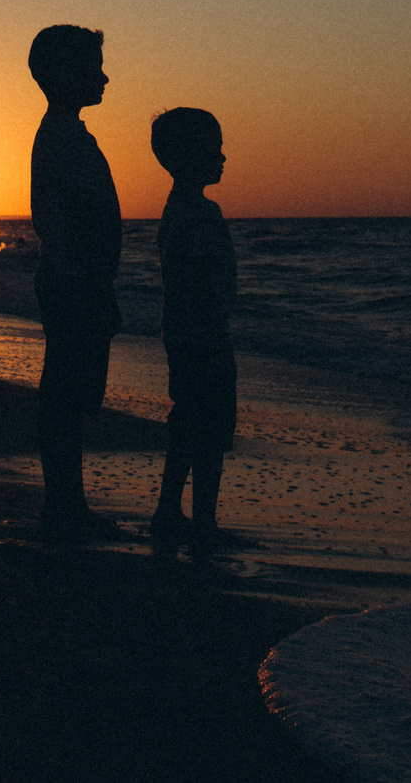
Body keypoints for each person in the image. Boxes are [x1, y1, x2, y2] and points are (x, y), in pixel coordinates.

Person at [27, 25, 126, 542]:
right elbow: (83, 214)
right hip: (75, 279)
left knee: (70, 392)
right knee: (68, 394)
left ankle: (67, 501)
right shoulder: (64, 136)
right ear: (66, 74)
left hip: (73, 277)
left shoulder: (64, 133)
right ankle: (64, 504)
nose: (104, 76)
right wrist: (98, 283)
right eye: (94, 66)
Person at [148, 106, 239, 555]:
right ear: (190, 155)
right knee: (209, 428)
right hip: (203, 336)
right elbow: (200, 281)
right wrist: (218, 339)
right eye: (214, 149)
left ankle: (171, 510)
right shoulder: (196, 213)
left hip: (183, 334)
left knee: (187, 423)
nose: (223, 158)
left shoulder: (179, 210)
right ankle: (202, 519)